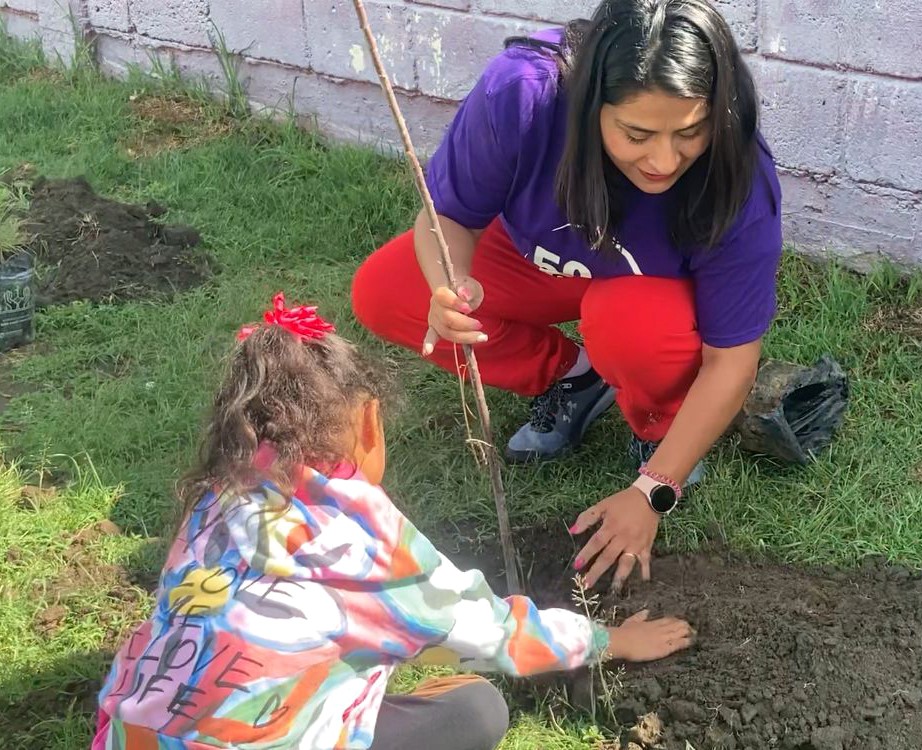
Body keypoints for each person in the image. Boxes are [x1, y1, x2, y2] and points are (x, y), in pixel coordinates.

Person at [90, 293, 693, 750]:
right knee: (480, 709)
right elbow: (488, 631)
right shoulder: (360, 546)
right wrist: (610, 641)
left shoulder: (217, 500)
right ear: (370, 423)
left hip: (128, 732)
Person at [352, 0, 783, 592]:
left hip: (645, 300)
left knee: (629, 326)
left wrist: (654, 492)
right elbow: (447, 218)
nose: (663, 161)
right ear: (587, 106)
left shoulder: (738, 177)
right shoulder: (525, 95)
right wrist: (447, 286)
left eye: (690, 133)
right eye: (636, 134)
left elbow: (732, 360)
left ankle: (658, 424)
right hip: (539, 259)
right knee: (388, 291)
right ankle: (574, 377)